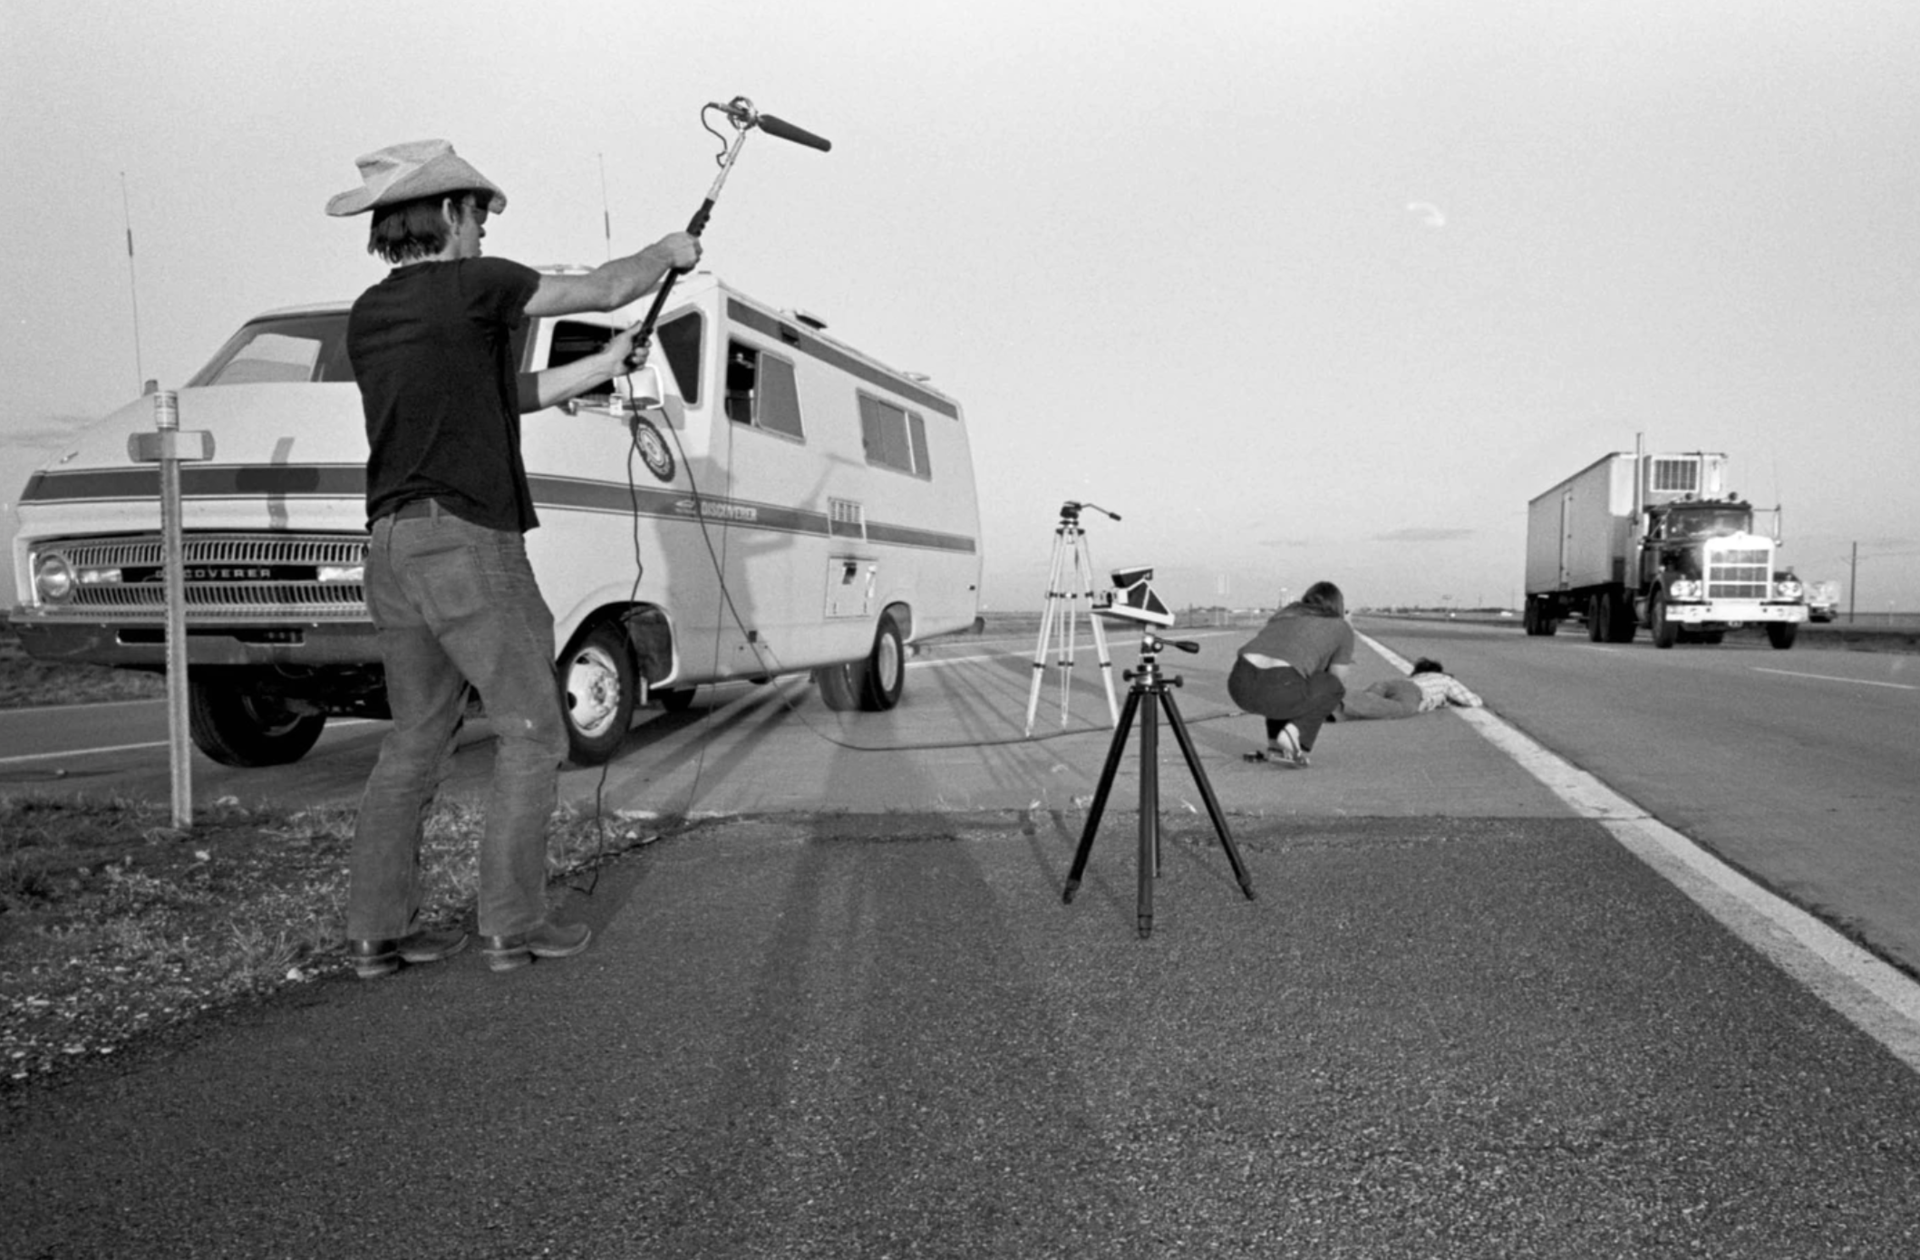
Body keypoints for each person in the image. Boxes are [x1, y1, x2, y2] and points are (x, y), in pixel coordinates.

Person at [327, 139, 701, 978]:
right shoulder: (481, 286)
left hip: (391, 546)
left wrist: (602, 367)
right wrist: (668, 253)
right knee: (533, 732)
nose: (488, 229)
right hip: (467, 542)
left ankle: (374, 936)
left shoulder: (371, 313)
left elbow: (503, 397)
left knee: (414, 742)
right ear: (451, 212)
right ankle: (513, 926)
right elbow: (609, 287)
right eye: (482, 214)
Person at [1227, 581, 1353, 767]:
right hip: (1279, 686)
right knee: (1331, 687)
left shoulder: (1284, 615)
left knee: (1286, 679)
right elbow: (1337, 677)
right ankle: (1295, 735)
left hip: (1239, 682)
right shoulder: (1341, 626)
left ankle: (1275, 746)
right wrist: (1346, 630)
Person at [1334, 657, 1484, 721]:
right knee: (1398, 710)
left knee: (1367, 700)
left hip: (1391, 683)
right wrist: (1449, 701)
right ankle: (1335, 706)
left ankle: (1332, 701)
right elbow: (1472, 701)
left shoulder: (1416, 677)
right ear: (1439, 671)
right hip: (1413, 692)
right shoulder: (1445, 679)